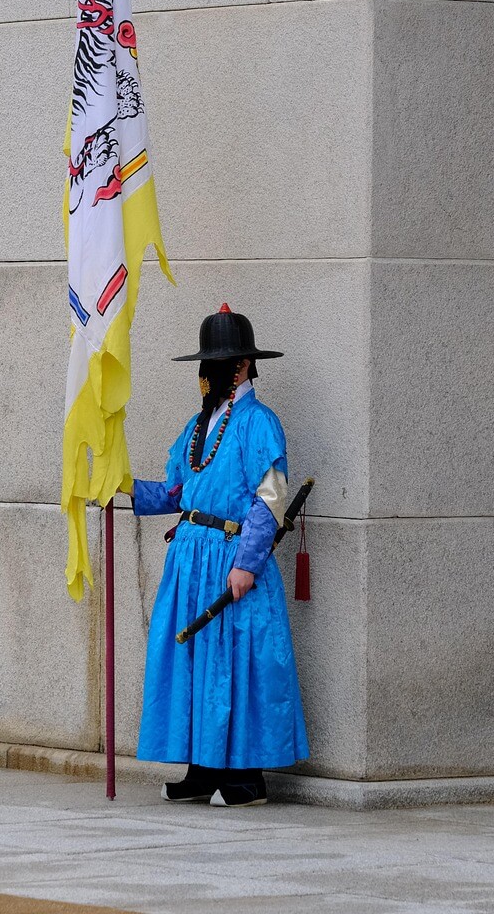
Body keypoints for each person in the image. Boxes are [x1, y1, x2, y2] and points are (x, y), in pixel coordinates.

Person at [127, 303, 309, 807]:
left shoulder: (259, 423)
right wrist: (120, 487)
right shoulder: (196, 426)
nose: (207, 373)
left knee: (237, 661)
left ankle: (245, 778)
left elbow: (271, 495)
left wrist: (247, 563)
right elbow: (175, 492)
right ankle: (201, 769)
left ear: (243, 366)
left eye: (218, 363)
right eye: (205, 364)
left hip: (232, 557)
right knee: (193, 660)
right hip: (190, 560)